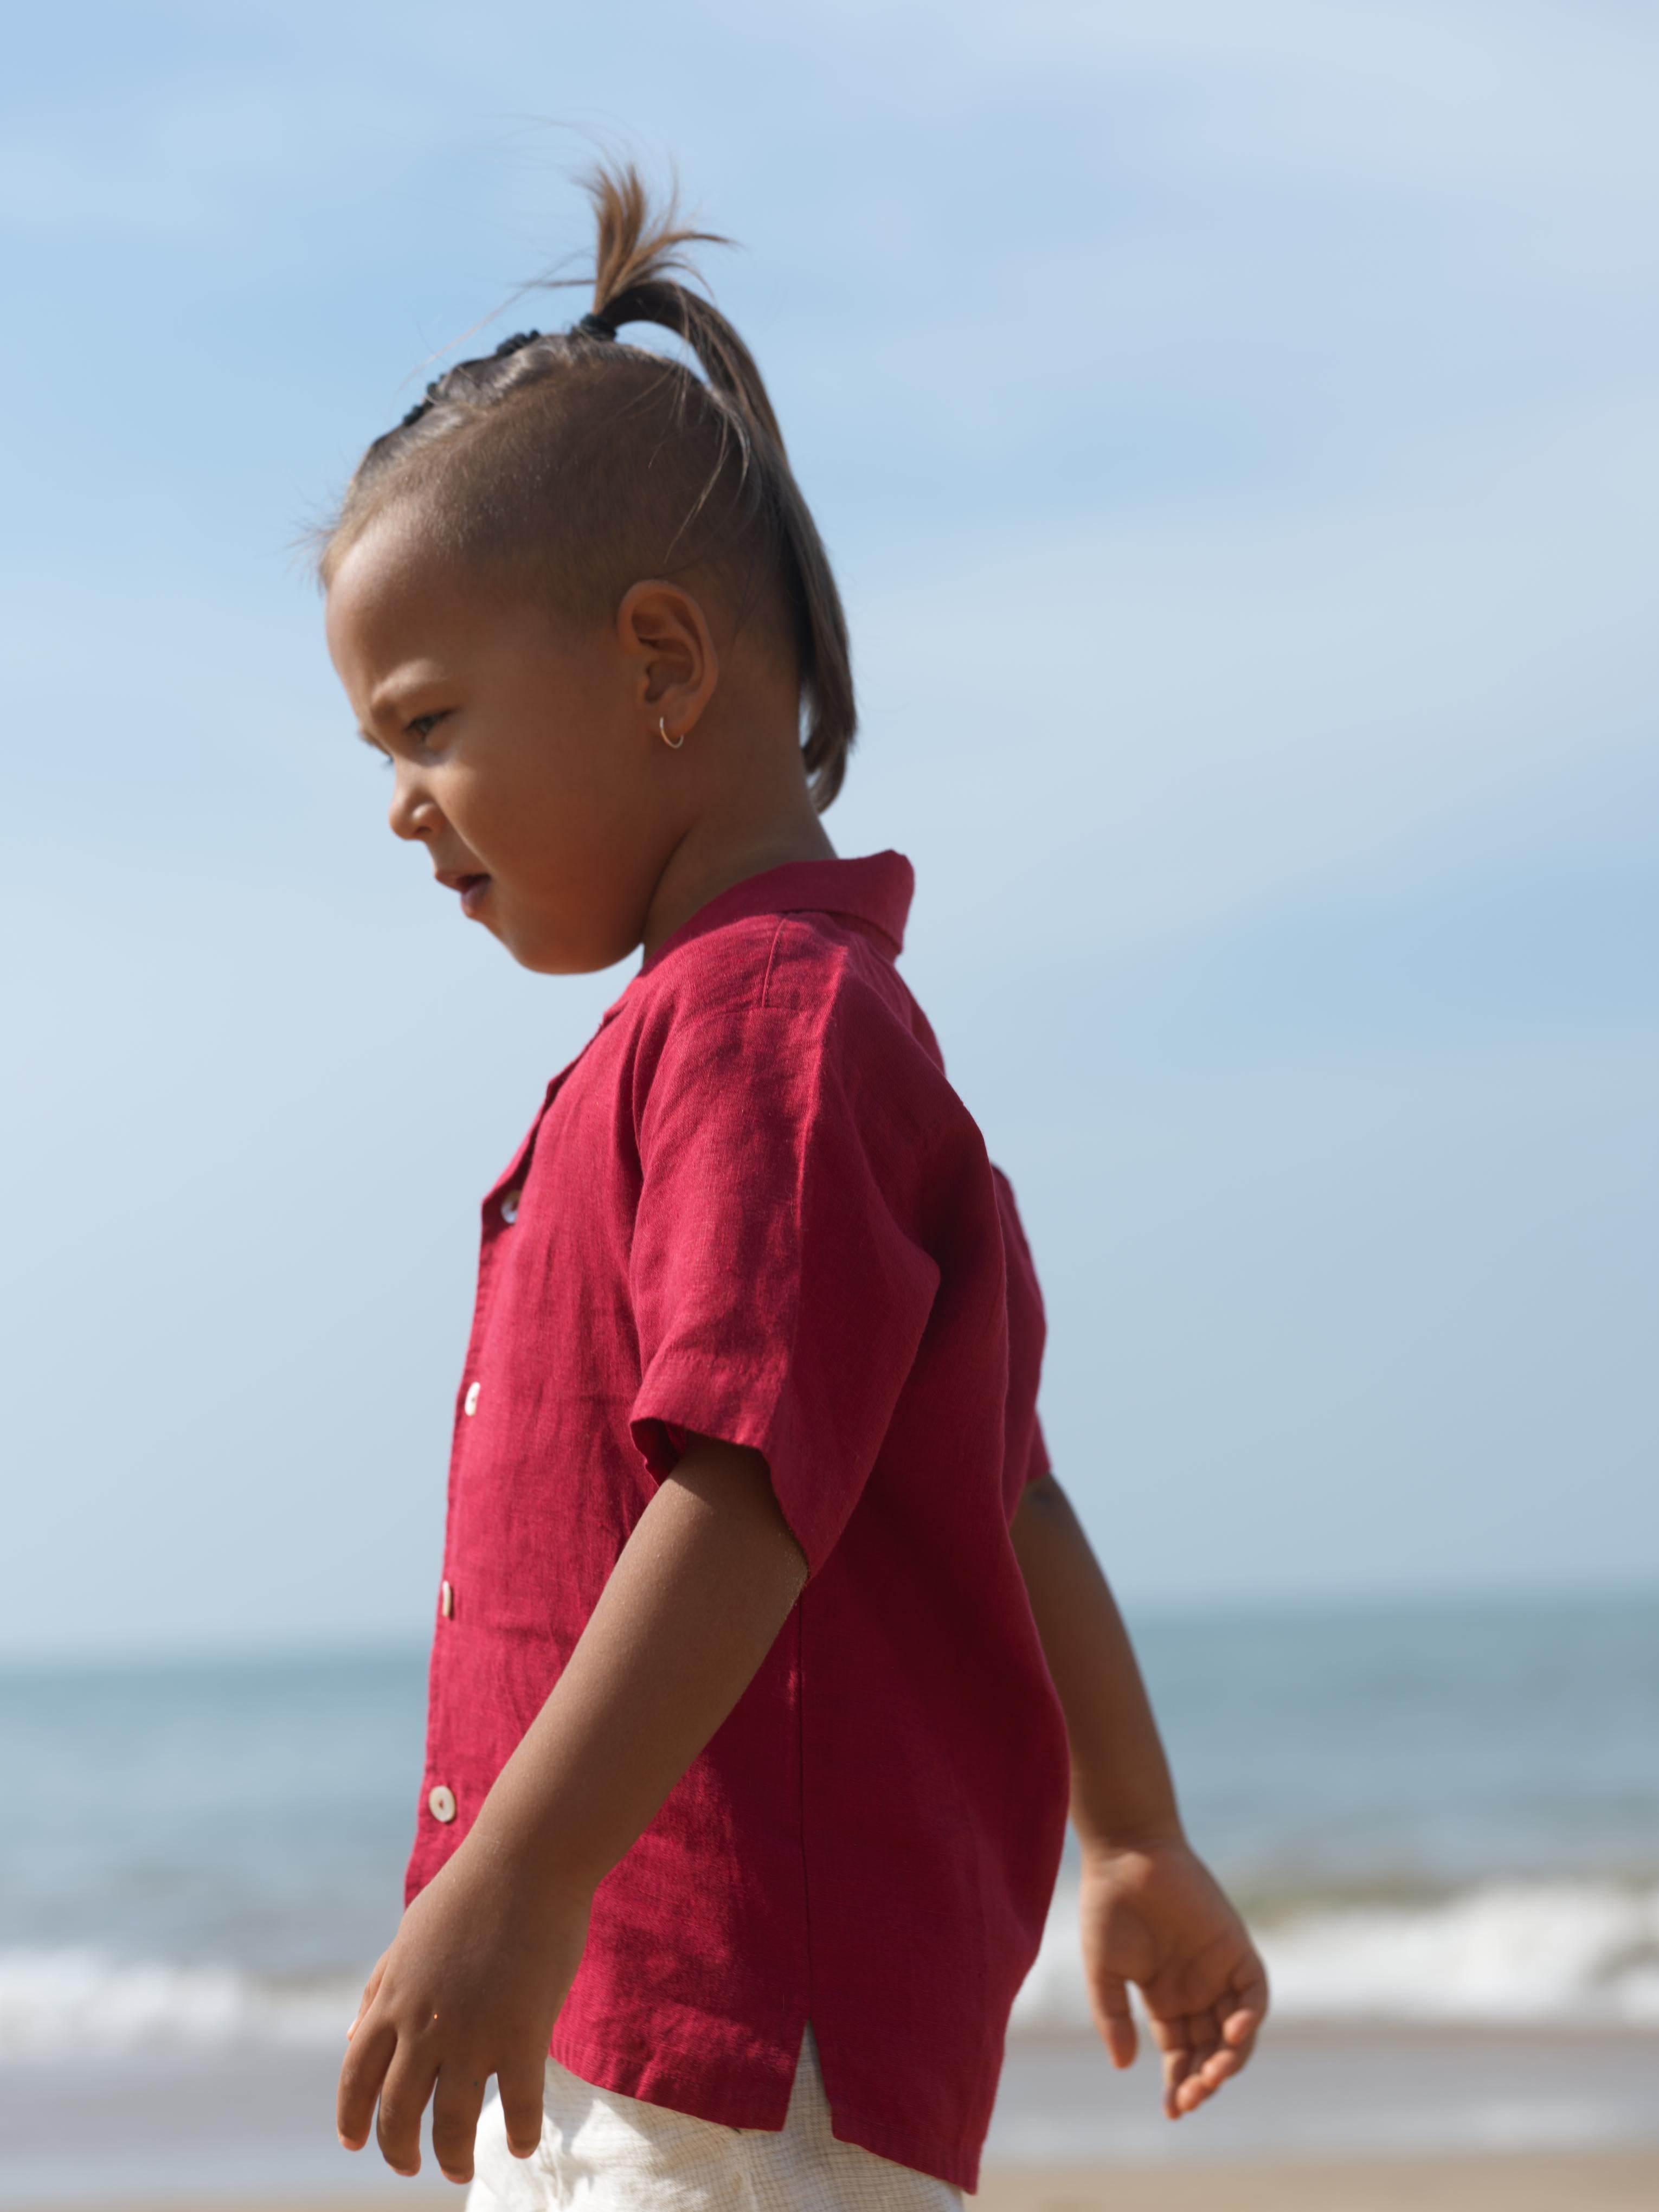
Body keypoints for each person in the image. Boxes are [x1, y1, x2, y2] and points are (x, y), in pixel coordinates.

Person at [320, 162, 1268, 2209]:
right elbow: (996, 1481)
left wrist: (516, 1878)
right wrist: (1130, 1835)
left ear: (661, 664)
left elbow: (741, 1480)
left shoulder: (769, 1029)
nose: (397, 803)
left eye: (427, 723)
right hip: (652, 2027)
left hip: (732, 2045)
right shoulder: (726, 1031)